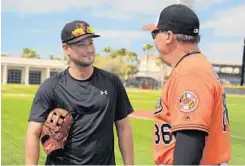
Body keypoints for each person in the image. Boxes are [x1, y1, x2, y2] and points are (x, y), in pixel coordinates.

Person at [24, 20, 134, 165]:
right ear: (66, 48)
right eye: (81, 44)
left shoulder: (112, 82)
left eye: (90, 43)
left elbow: (123, 128)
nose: (89, 49)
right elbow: (33, 132)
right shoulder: (51, 86)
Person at [142, 4, 231, 165]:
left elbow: (190, 140)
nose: (154, 39)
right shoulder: (194, 66)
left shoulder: (190, 72)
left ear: (168, 36)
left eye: (154, 33)